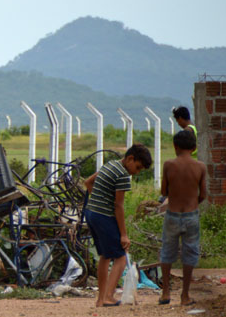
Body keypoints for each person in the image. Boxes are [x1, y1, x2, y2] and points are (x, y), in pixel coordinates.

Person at [83, 144, 152, 307]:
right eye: (138, 167)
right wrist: (124, 234)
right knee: (120, 257)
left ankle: (100, 299)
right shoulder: (122, 175)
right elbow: (118, 206)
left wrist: (100, 197)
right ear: (130, 159)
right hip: (103, 216)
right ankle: (108, 296)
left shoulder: (110, 164)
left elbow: (88, 182)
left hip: (91, 213)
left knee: (105, 257)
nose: (137, 172)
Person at [159, 130, 207, 306]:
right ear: (194, 148)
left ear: (175, 146)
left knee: (167, 252)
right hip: (191, 215)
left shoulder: (169, 164)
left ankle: (165, 293)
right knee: (190, 253)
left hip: (172, 214)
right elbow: (203, 194)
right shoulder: (200, 166)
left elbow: (164, 191)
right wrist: (193, 202)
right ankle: (185, 295)